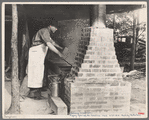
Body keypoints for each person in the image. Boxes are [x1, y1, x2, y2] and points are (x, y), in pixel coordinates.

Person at [27, 25, 63, 100]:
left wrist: (60, 48)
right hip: (36, 51)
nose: (56, 29)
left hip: (38, 53)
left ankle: (36, 95)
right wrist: (58, 53)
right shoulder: (44, 31)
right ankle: (25, 94)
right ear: (50, 26)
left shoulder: (47, 33)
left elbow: (52, 42)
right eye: (55, 27)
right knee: (34, 73)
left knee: (38, 73)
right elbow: (49, 44)